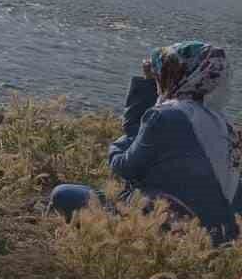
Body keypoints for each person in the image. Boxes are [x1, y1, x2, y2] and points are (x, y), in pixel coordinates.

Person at [50, 42, 241, 243]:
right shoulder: (224, 125)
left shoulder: (165, 116)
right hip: (220, 235)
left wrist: (116, 146)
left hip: (167, 229)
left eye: (163, 71)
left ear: (176, 74)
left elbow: (124, 168)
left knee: (64, 194)